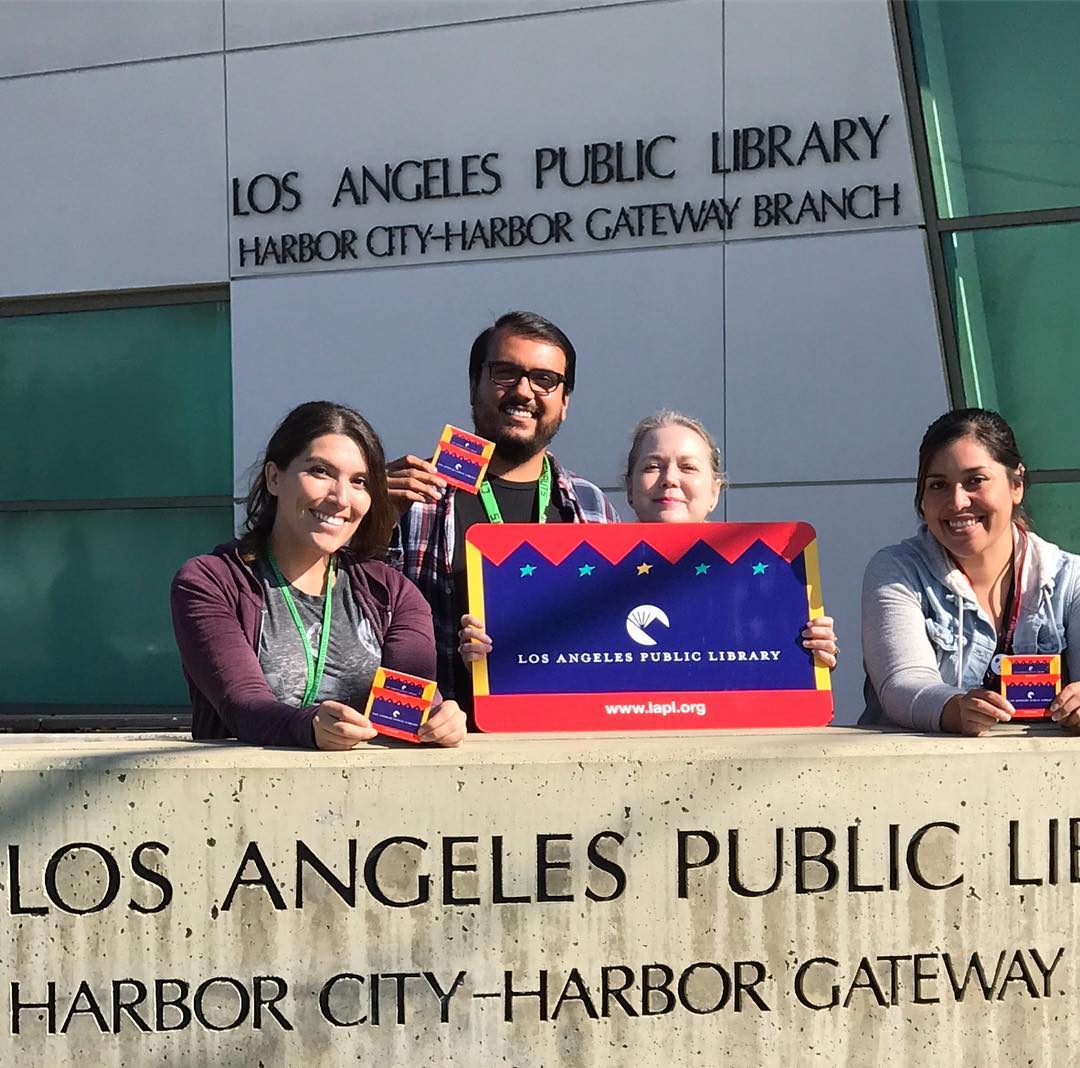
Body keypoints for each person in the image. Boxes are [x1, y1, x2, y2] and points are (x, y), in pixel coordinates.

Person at [171, 401, 466, 749]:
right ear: (274, 477)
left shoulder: (393, 593)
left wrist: (440, 719)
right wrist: (309, 726)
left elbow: (410, 704)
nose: (341, 498)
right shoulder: (210, 582)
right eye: (320, 472)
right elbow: (244, 707)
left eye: (359, 481)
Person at [461, 409, 838, 669]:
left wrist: (808, 654)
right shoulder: (584, 573)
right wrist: (491, 651)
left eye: (688, 467)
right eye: (653, 466)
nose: (669, 478)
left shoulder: (765, 580)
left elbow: (772, 678)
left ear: (715, 492)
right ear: (629, 488)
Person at [387, 311, 619, 712]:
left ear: (565, 403)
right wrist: (373, 518)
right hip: (438, 743)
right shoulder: (413, 495)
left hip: (565, 732)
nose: (524, 392)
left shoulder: (591, 505)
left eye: (545, 380)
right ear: (474, 385)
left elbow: (614, 628)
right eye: (505, 373)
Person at [861, 408, 1079, 735]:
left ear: (1016, 484)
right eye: (938, 485)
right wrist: (954, 708)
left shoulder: (1070, 578)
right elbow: (900, 684)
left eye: (975, 480)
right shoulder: (896, 570)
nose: (957, 501)